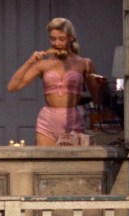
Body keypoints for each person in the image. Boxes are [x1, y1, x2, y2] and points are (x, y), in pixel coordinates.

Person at [6, 17, 106, 146]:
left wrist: (102, 87)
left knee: (72, 165)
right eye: (53, 39)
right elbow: (12, 86)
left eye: (61, 39)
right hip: (47, 122)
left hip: (73, 121)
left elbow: (97, 99)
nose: (57, 43)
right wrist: (30, 61)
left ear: (70, 38)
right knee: (44, 164)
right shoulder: (43, 64)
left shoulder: (84, 63)